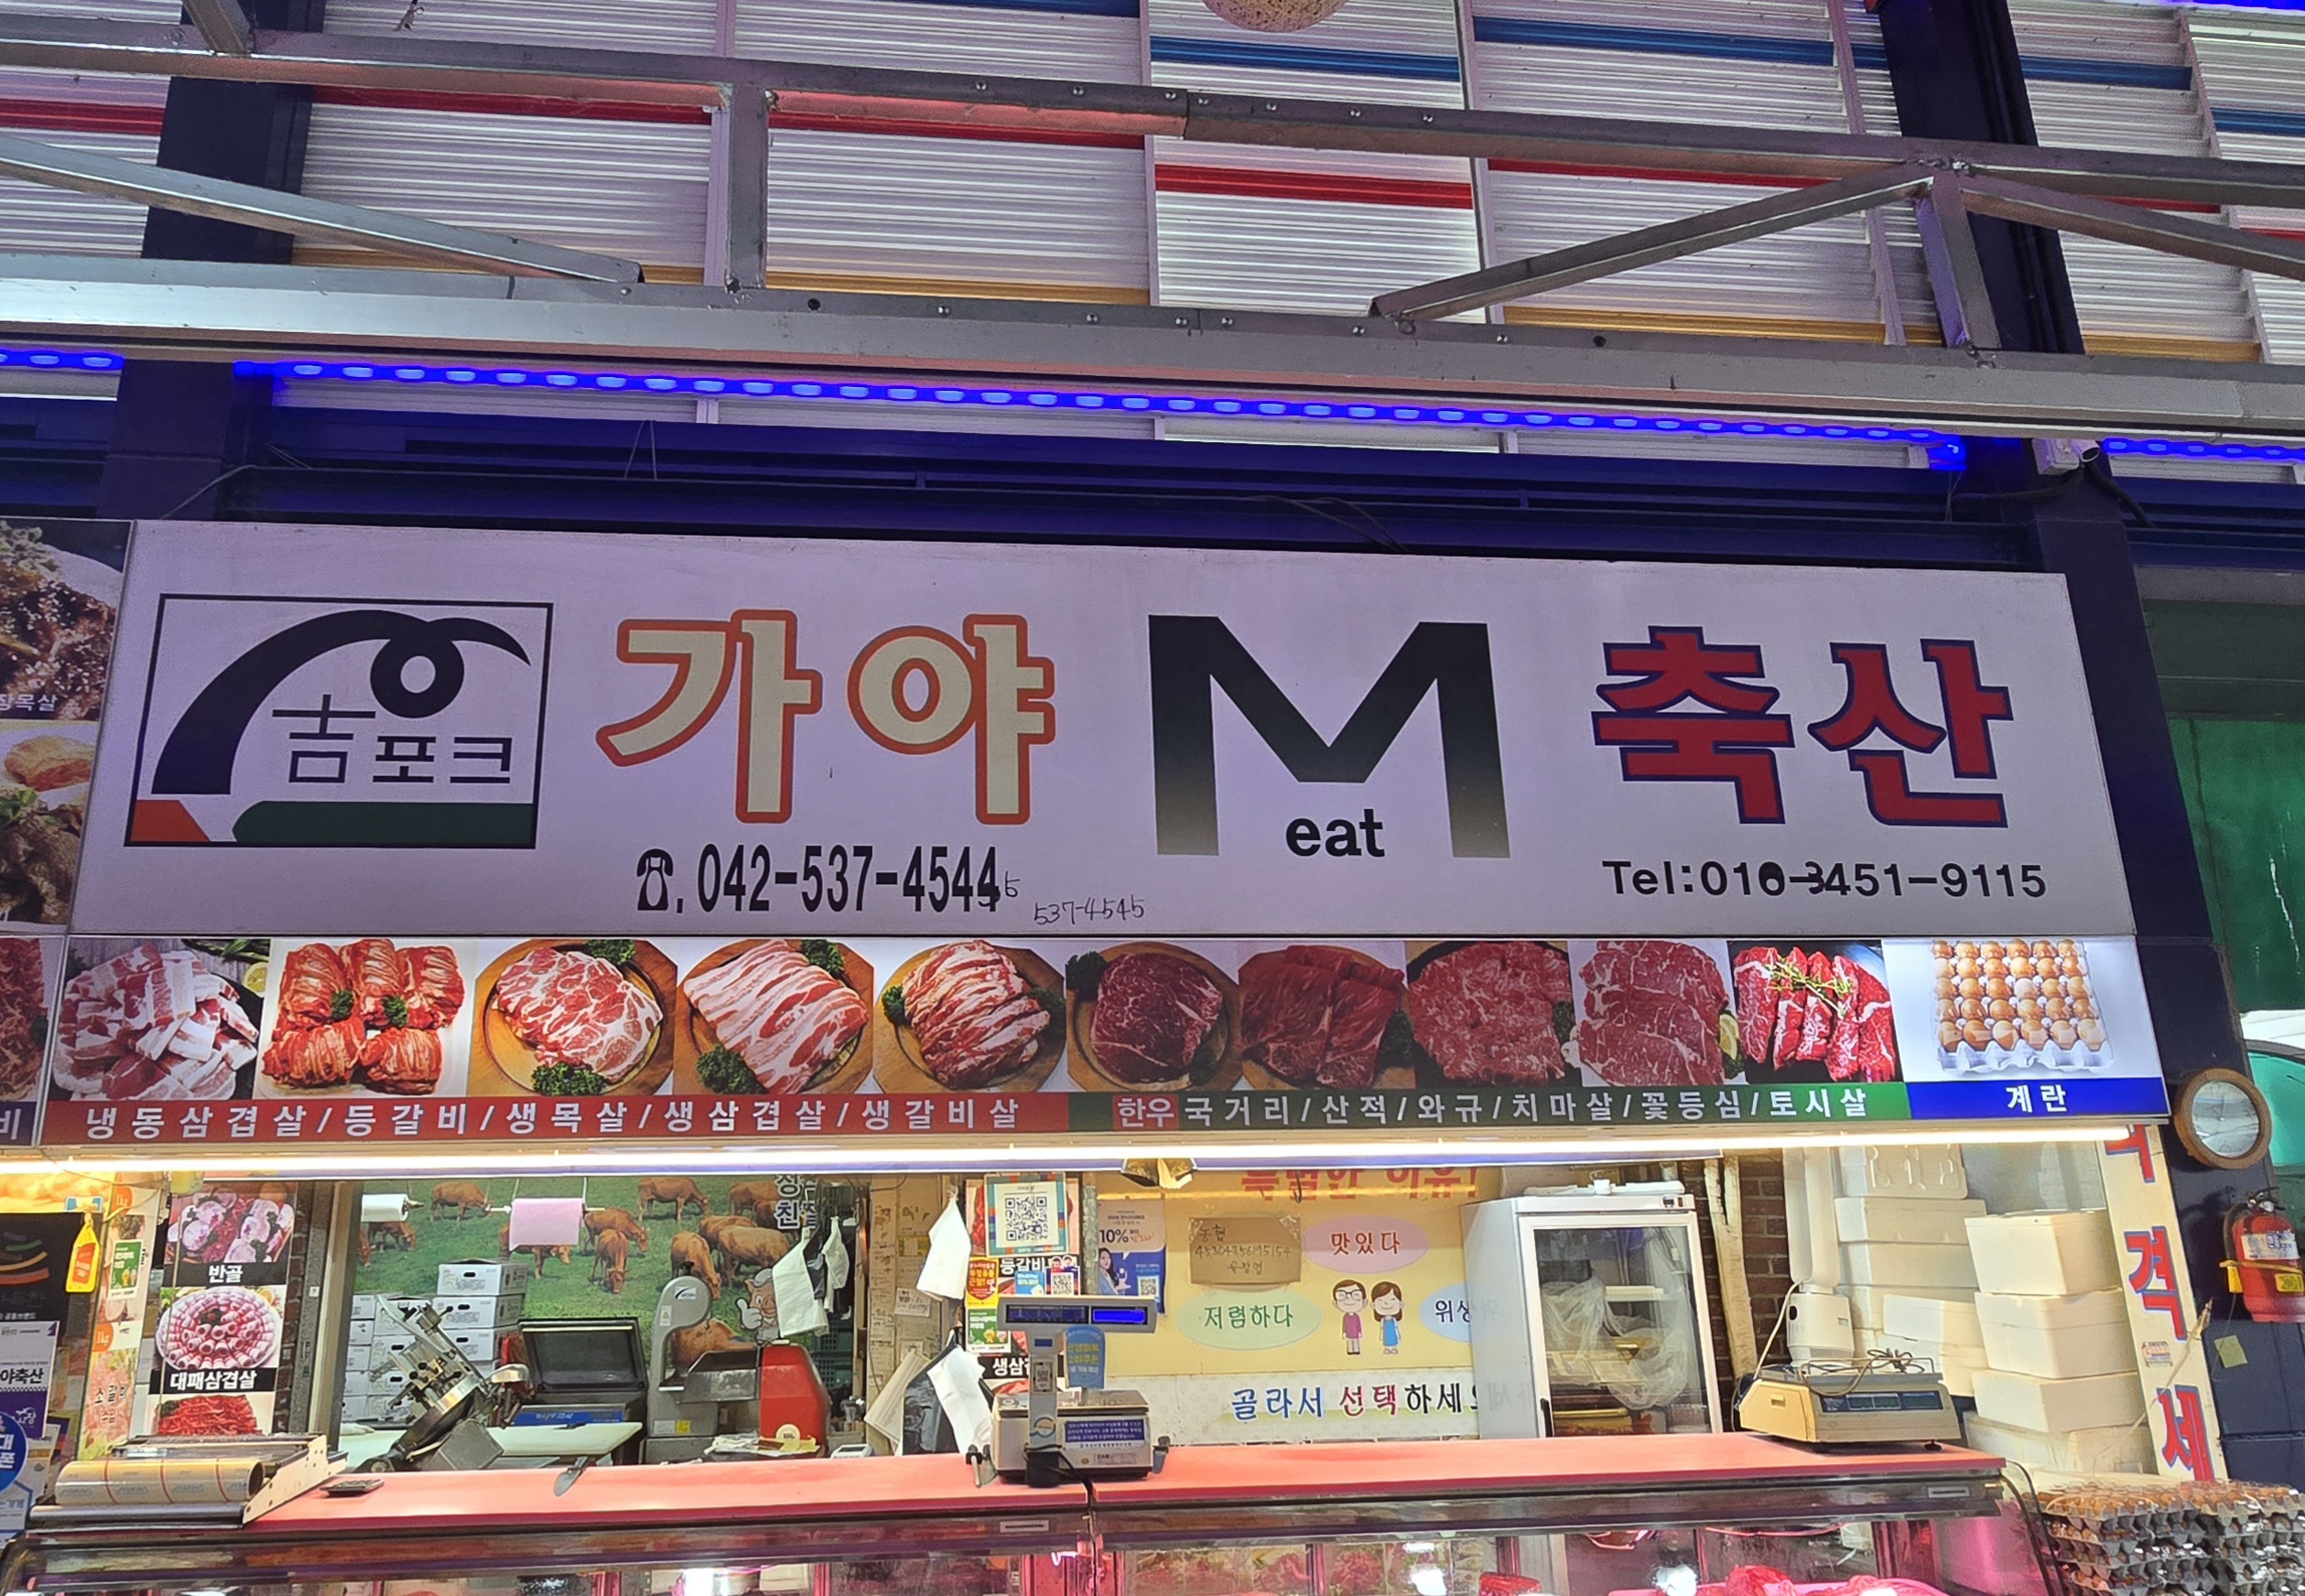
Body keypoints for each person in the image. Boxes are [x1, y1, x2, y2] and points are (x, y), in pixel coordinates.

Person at [1334, 1279, 1368, 1355]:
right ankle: (1350, 1351)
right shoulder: (1345, 1317)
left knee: (1355, 1342)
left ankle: (1356, 1350)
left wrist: (1360, 1332)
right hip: (1349, 1333)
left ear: (1364, 1301)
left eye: (1356, 1295)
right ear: (1336, 1303)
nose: (1348, 1298)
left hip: (1355, 1333)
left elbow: (1359, 1325)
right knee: (1349, 1342)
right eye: (1342, 1295)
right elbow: (1344, 1325)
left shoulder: (1356, 1316)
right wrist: (1344, 1332)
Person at [1372, 1281, 1404, 1355]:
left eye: (1392, 1299)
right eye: (1380, 1300)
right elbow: (1382, 1328)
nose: (1386, 1303)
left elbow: (1396, 1327)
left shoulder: (1394, 1320)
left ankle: (1393, 1348)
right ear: (1373, 1305)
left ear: (1400, 1304)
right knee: (1387, 1340)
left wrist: (1398, 1334)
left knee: (1393, 1339)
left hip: (1393, 1333)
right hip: (1386, 1334)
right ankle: (1387, 1348)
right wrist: (1381, 1336)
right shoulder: (1383, 1320)